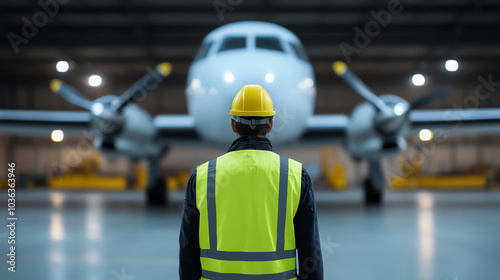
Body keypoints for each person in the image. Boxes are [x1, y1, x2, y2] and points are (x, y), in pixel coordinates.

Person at [179, 84, 323, 280]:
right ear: (271, 124)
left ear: (233, 125)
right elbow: (310, 252)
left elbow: (188, 251)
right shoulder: (296, 175)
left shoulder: (203, 176)